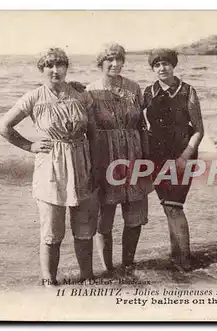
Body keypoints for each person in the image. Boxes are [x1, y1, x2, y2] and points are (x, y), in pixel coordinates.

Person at [0, 48, 99, 286]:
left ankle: (88, 278)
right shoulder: (34, 97)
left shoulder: (81, 95)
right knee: (52, 232)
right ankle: (49, 281)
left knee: (84, 229)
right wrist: (29, 145)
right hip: (51, 166)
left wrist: (96, 166)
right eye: (49, 66)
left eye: (60, 65)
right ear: (42, 69)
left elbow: (93, 133)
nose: (55, 70)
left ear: (66, 68)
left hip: (82, 164)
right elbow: (3, 126)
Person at [86, 43, 153, 277]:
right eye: (109, 60)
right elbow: (89, 131)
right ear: (100, 63)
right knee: (104, 219)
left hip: (134, 156)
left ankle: (128, 264)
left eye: (119, 60)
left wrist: (147, 162)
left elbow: (143, 126)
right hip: (106, 158)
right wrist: (92, 166)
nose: (115, 64)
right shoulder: (90, 91)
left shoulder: (134, 88)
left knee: (134, 217)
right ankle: (108, 268)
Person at [143, 49, 204, 272]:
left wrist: (185, 156)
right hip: (157, 154)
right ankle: (175, 255)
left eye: (166, 64)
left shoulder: (188, 91)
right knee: (168, 206)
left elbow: (199, 130)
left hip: (183, 154)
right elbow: (139, 124)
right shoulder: (148, 92)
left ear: (173, 65)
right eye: (157, 65)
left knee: (175, 206)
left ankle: (185, 259)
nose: (162, 68)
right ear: (152, 68)